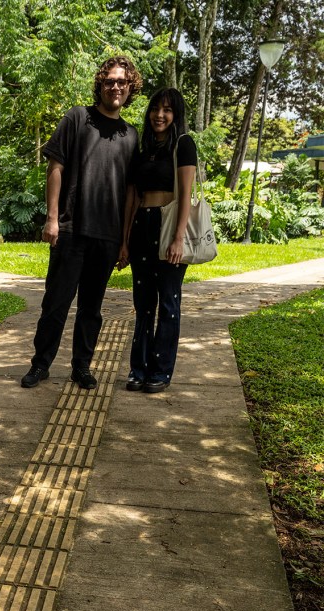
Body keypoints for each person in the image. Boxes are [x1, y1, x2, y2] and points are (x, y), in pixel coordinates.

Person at [21, 55, 142, 390]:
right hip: (71, 229)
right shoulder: (78, 118)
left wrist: (125, 240)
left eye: (122, 82)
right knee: (55, 304)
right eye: (110, 81)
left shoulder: (131, 135)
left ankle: (82, 367)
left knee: (92, 309)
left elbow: (132, 192)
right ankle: (40, 364)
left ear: (130, 87)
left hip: (107, 236)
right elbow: (55, 167)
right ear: (100, 84)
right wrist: (52, 219)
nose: (115, 87)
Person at [122, 87, 197, 393]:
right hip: (142, 224)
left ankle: (161, 370)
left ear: (175, 115)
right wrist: (124, 241)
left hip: (168, 226)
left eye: (167, 110)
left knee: (168, 301)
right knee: (143, 305)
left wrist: (179, 238)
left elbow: (186, 195)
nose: (160, 115)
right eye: (155, 109)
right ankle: (137, 369)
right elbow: (131, 198)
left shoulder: (183, 145)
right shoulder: (143, 150)